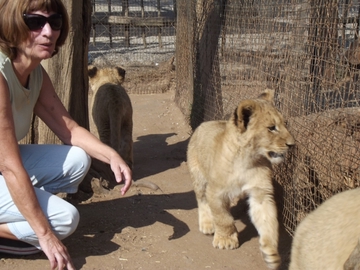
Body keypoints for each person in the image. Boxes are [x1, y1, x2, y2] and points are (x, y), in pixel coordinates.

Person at [0, 0, 132, 269]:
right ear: (13, 24)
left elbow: (69, 129)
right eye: (35, 22)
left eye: (55, 22)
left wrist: (112, 155)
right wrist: (45, 234)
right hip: (6, 168)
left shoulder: (34, 73)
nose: (48, 32)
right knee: (64, 219)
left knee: (78, 160)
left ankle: (20, 210)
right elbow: (11, 168)